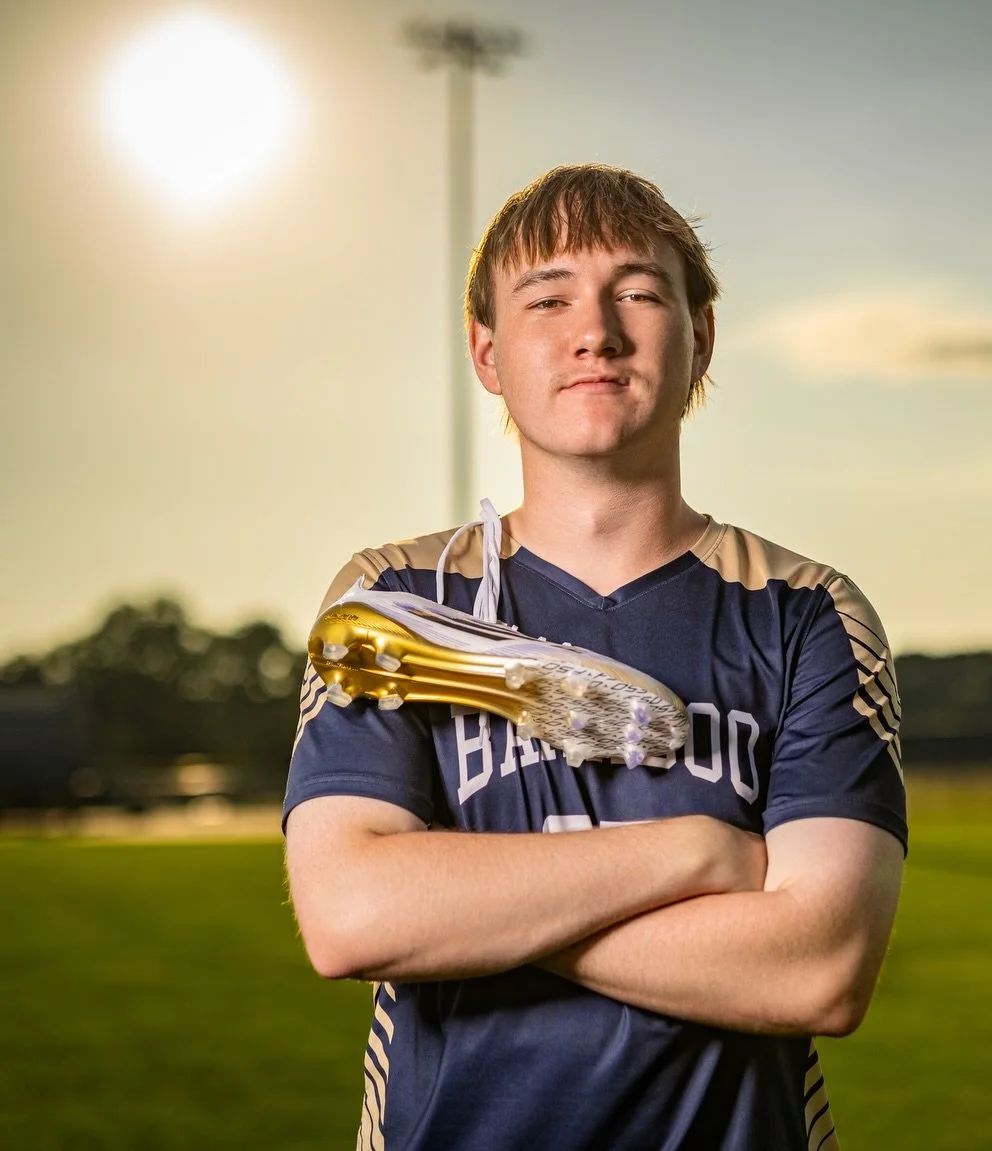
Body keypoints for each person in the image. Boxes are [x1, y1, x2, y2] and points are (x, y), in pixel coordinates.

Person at [283, 163, 906, 1150]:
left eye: (639, 292)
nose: (596, 332)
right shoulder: (393, 604)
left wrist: (469, 911)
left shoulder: (808, 613)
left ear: (700, 335)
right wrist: (700, 853)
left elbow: (818, 968)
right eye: (550, 297)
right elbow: (353, 915)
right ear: (487, 351)